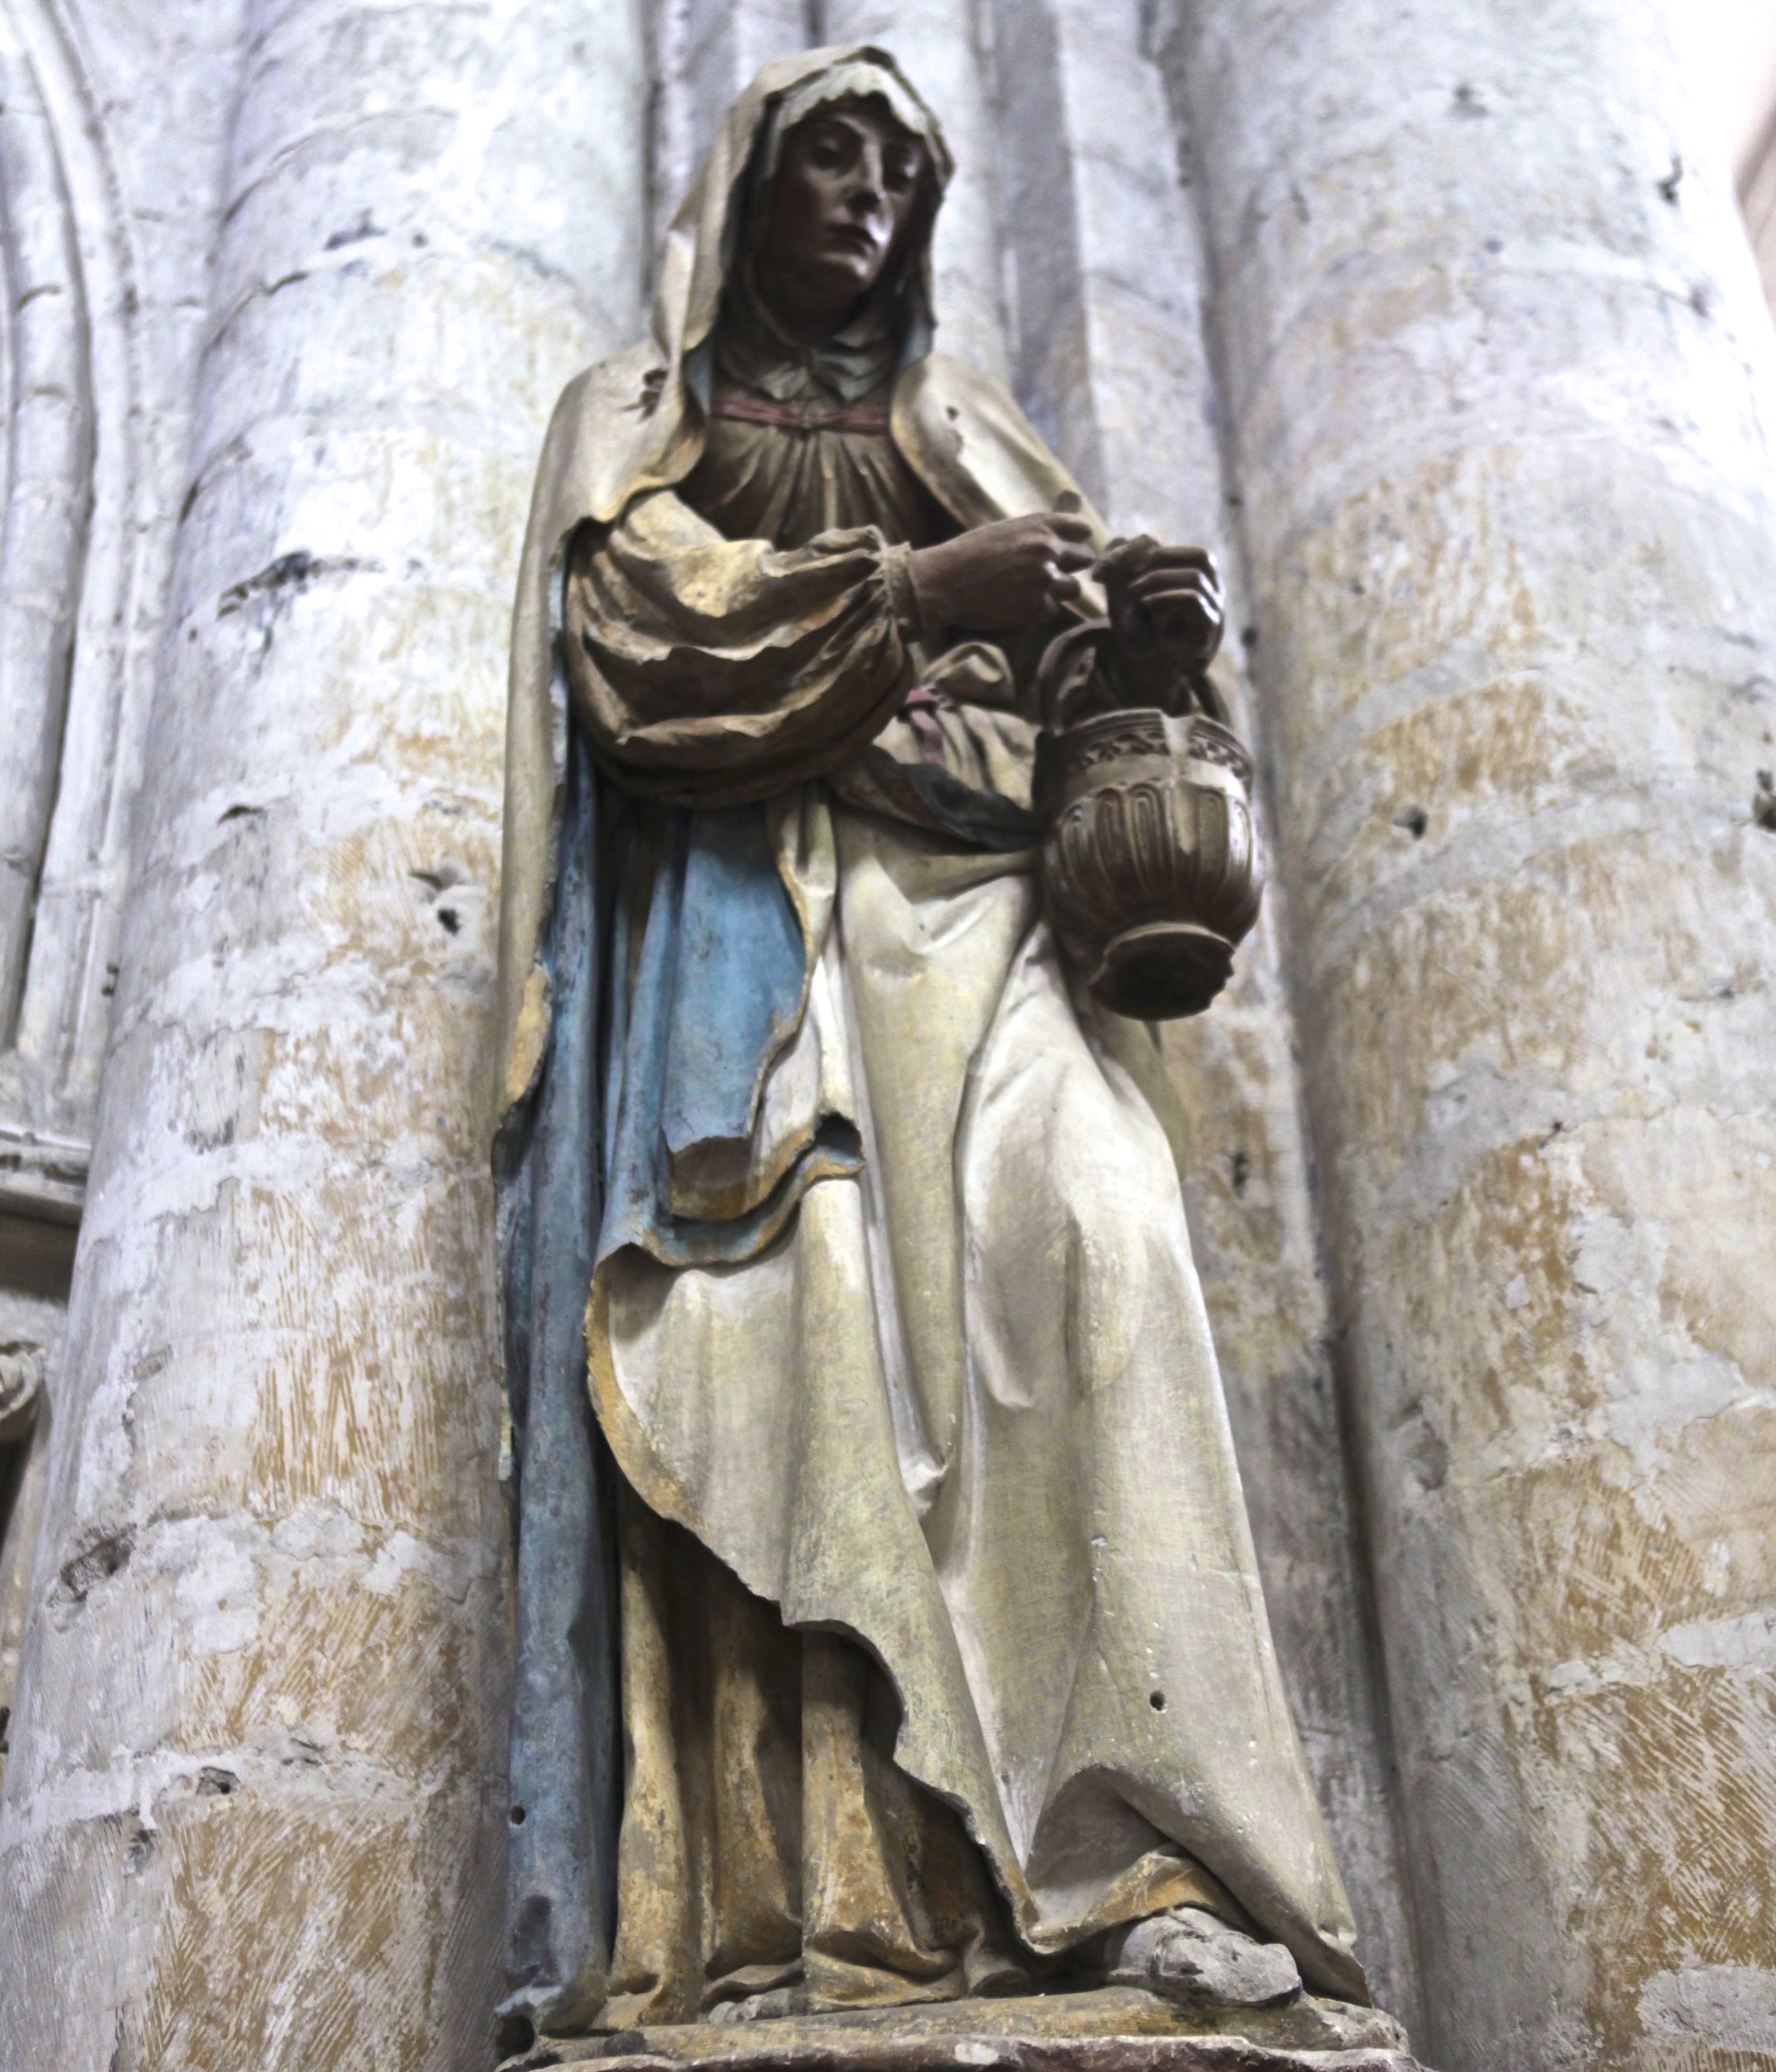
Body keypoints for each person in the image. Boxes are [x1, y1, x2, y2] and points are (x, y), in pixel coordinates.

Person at [494, 43, 1366, 2041]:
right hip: (755, 956)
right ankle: (832, 1914)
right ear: (749, 190)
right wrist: (912, 591)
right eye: (831, 156)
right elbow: (638, 639)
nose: (870, 196)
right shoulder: (641, 419)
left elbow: (1105, 723)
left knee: (1107, 1261)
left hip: (996, 935)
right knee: (785, 1368)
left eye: (903, 168)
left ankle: (1154, 1864)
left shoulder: (972, 431)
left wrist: (1141, 641)